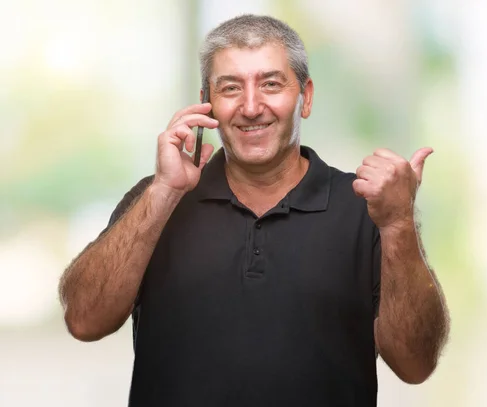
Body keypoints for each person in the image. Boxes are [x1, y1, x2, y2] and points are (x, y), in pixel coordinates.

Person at [58, 14, 449, 407]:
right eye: (230, 88)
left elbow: (415, 365)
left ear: (306, 97)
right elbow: (84, 321)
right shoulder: (157, 201)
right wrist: (164, 190)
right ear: (207, 104)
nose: (250, 106)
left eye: (271, 84)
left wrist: (398, 223)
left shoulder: (368, 209)